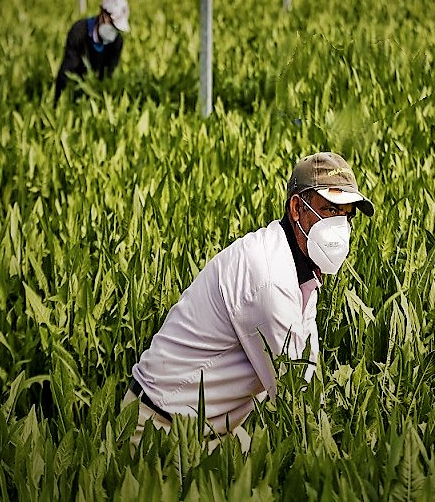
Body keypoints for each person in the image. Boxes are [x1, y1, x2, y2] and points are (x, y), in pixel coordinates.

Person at [123, 151, 375, 451]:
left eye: (346, 214)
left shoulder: (297, 265)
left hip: (206, 426)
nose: (340, 225)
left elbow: (305, 370)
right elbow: (297, 397)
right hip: (159, 429)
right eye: (330, 209)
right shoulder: (270, 280)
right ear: (297, 207)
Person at [54, 0, 130, 102]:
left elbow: (109, 74)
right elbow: (68, 71)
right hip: (75, 89)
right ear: (102, 15)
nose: (114, 31)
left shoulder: (117, 42)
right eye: (112, 24)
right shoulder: (79, 32)